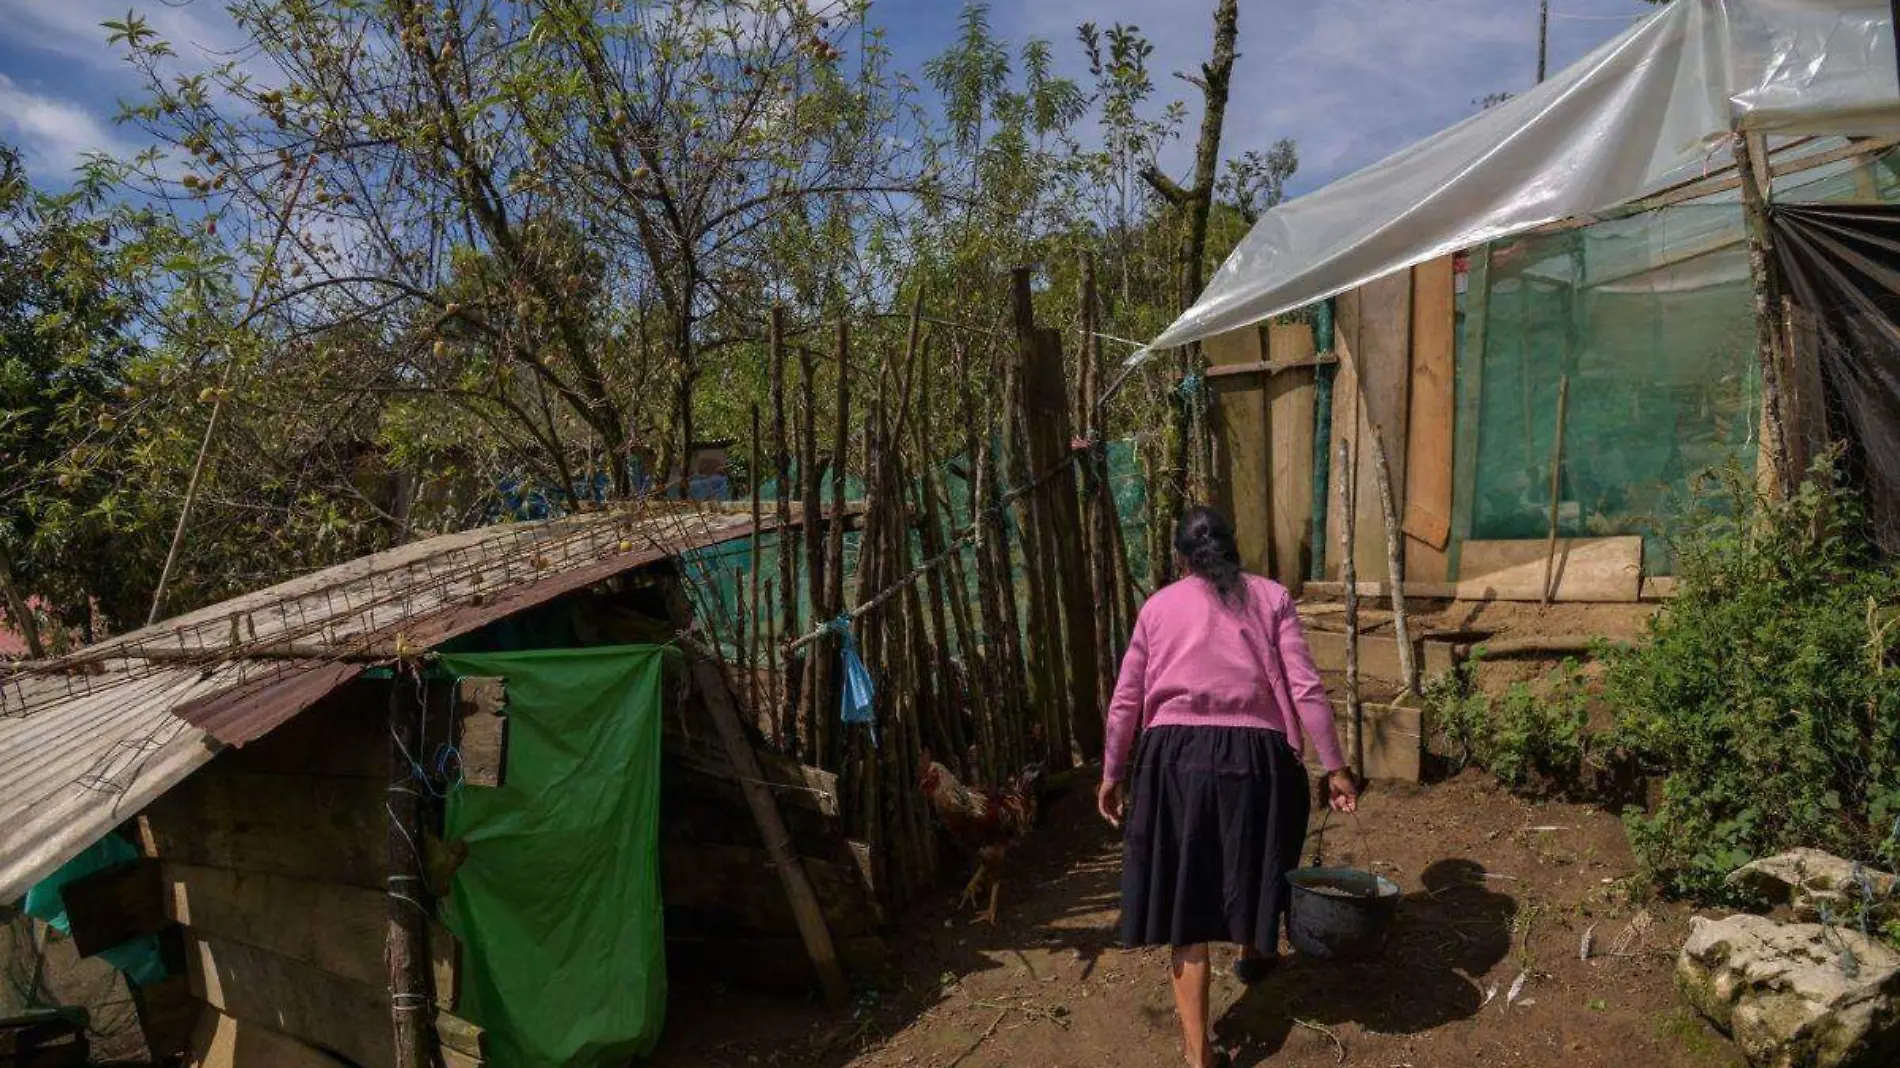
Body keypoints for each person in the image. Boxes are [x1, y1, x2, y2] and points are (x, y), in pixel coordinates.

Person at [1098, 506, 1358, 1068]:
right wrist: (1334, 766)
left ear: (1179, 557)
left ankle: (1200, 1057)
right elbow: (1306, 688)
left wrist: (1113, 771)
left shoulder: (1157, 607)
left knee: (1187, 902)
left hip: (1173, 759)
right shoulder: (1271, 597)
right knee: (1255, 852)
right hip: (1255, 756)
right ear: (1233, 548)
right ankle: (1253, 949)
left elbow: (1125, 699)